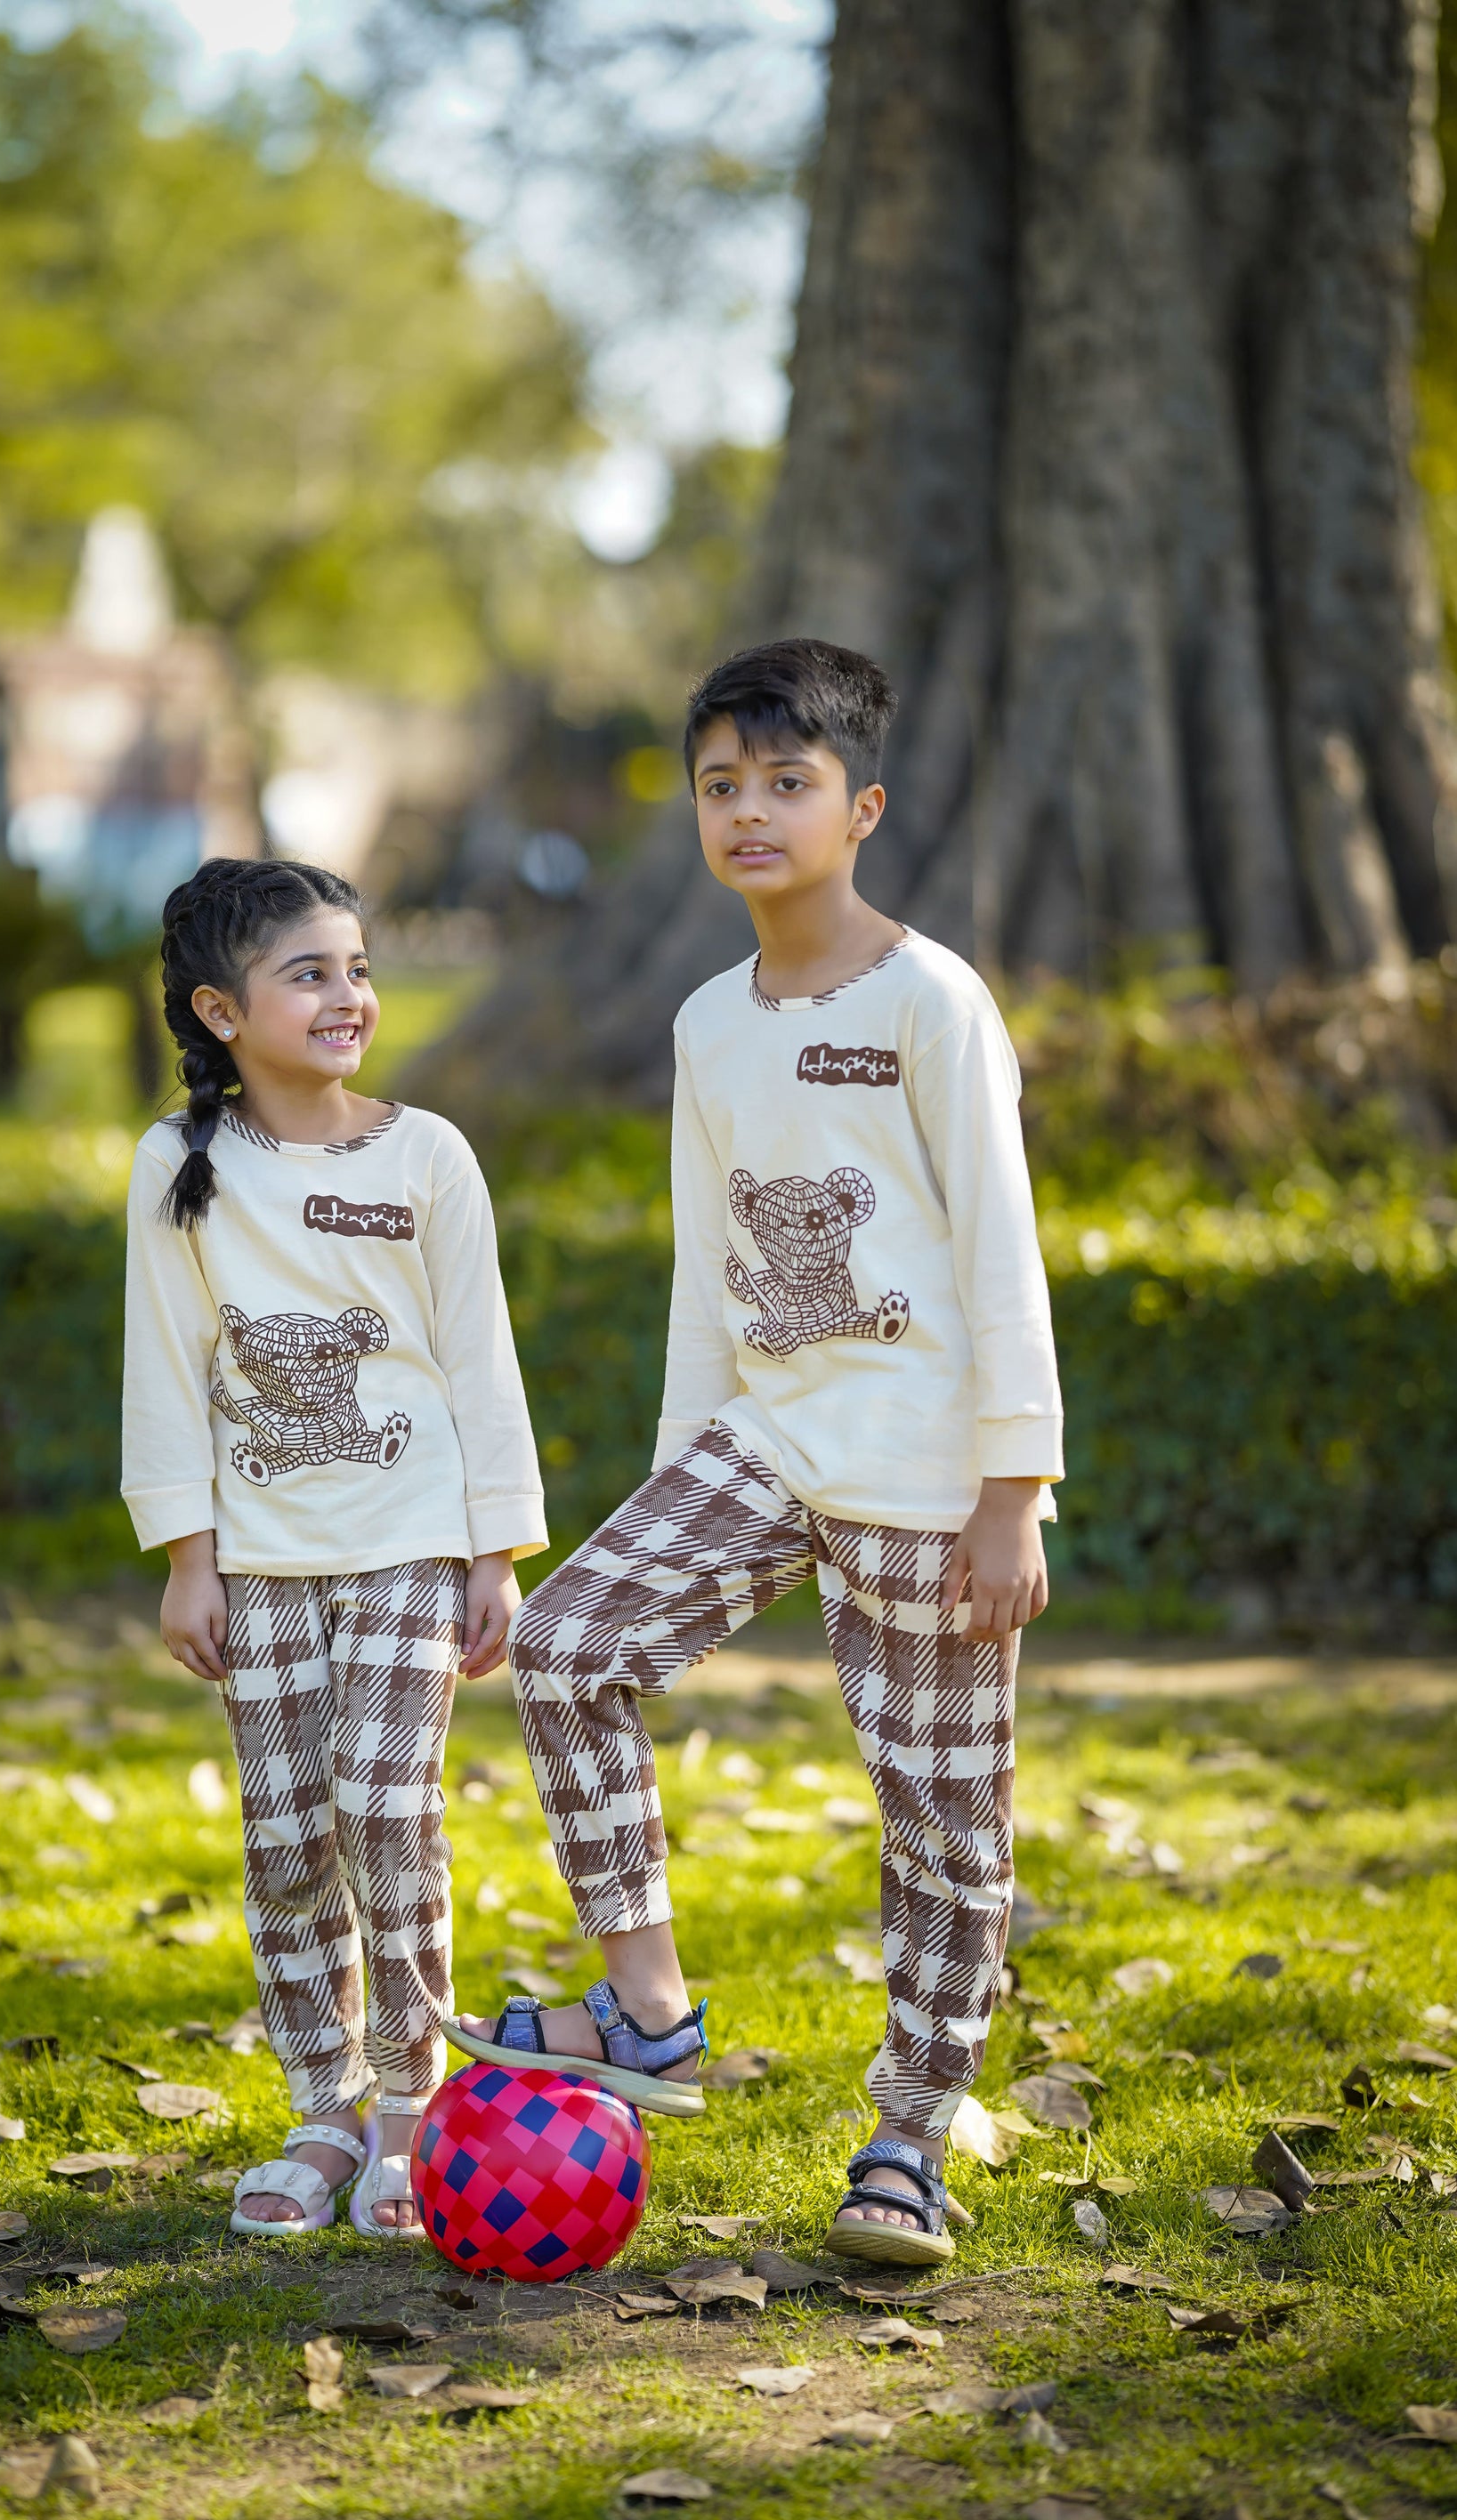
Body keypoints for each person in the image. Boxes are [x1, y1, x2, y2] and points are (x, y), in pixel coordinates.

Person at [449, 639, 1062, 2266]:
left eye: (787, 782)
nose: (749, 811)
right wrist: (677, 1468)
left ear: (861, 808)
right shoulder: (707, 1022)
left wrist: (1014, 1491)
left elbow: (1000, 1251)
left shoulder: (931, 1001)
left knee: (942, 1826)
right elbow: (703, 1274)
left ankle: (907, 2142)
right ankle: (648, 2013)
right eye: (720, 783)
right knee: (566, 1646)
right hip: (766, 1441)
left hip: (929, 1471)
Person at [123, 857, 546, 2240]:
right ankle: (325, 2106)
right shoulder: (177, 1165)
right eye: (308, 974)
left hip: (412, 1538)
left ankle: (411, 2106)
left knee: (382, 1805)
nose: (348, 995)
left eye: (357, 967)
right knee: (287, 1831)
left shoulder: (429, 1155)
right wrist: (187, 1558)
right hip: (255, 1560)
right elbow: (163, 1370)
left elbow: (480, 1360)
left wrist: (497, 1552)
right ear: (220, 1010)